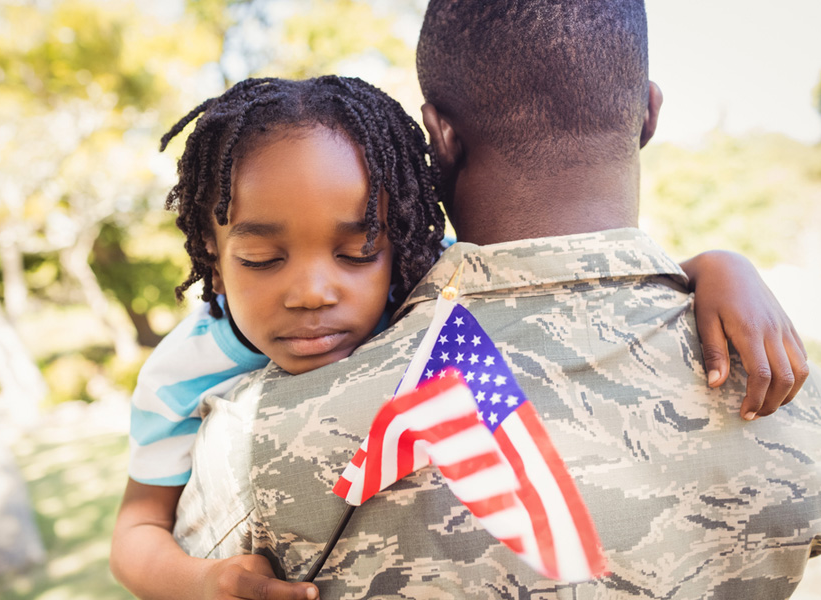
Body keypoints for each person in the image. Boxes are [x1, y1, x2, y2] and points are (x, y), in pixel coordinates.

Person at [170, 1, 821, 599]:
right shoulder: (780, 382)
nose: (312, 292)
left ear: (439, 136)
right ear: (648, 114)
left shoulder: (256, 435)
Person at [111, 74, 445, 600]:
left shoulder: (440, 284)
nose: (312, 294)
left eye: (358, 252)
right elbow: (133, 534)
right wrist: (203, 583)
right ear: (214, 261)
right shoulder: (179, 375)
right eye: (262, 260)